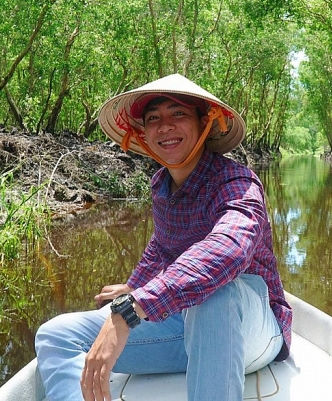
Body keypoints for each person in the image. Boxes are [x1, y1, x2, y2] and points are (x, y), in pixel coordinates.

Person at [35, 73, 292, 401]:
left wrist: (133, 307)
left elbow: (228, 250)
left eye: (178, 114)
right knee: (55, 335)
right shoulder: (161, 184)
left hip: (253, 335)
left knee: (214, 293)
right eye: (153, 118)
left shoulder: (238, 183)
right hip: (188, 330)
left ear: (204, 124)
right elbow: (163, 244)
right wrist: (135, 285)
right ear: (142, 134)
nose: (164, 126)